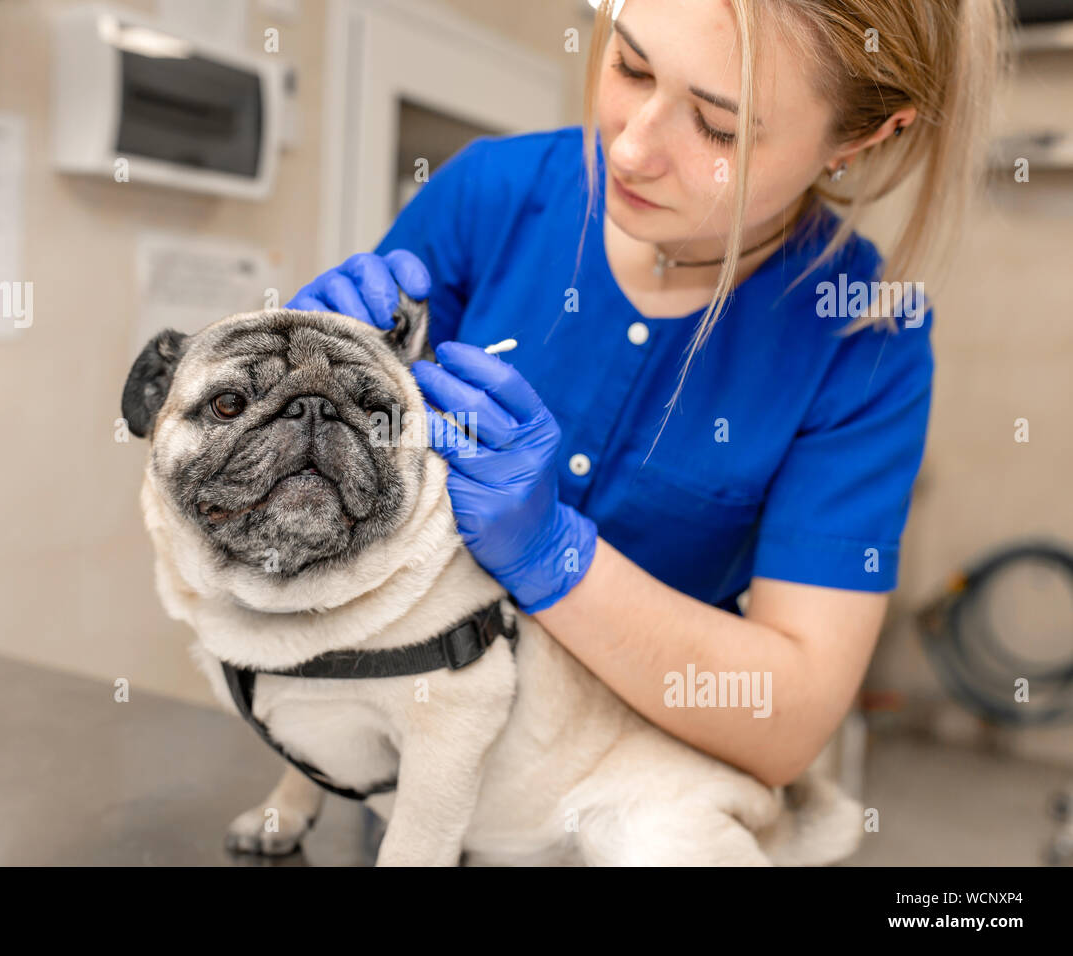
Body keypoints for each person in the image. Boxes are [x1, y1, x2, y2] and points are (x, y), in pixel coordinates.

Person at [286, 0, 1007, 788]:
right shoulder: (489, 194)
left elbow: (790, 718)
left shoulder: (864, 334)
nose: (629, 150)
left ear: (863, 137)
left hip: (635, 811)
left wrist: (552, 556)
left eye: (719, 128)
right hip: (407, 786)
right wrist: (315, 388)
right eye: (630, 66)